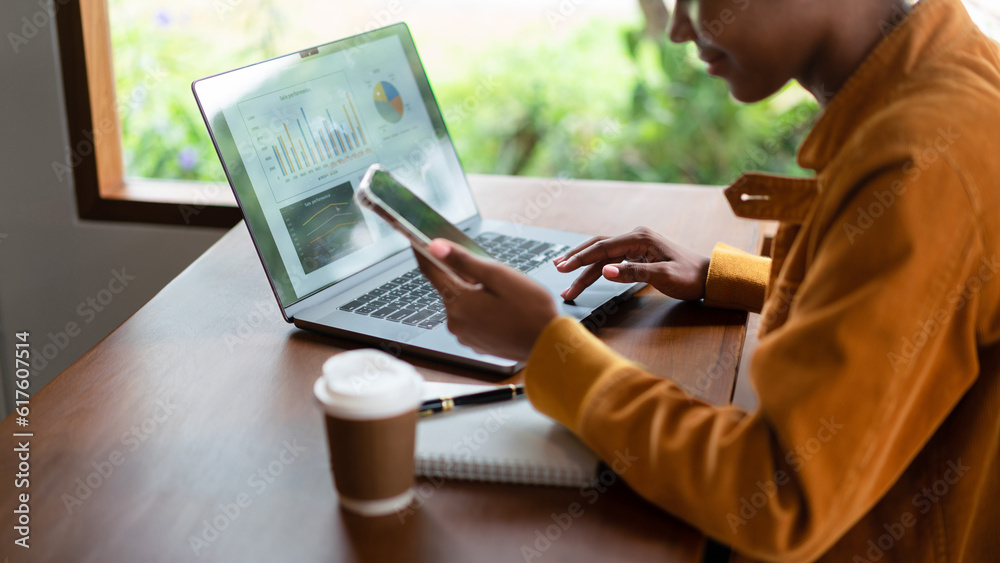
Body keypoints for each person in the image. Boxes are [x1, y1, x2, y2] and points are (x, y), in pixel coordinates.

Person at [416, 0, 1000, 560]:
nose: (678, 30)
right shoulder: (949, 73)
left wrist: (546, 347)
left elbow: (777, 494)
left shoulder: (922, 161)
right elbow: (909, 296)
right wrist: (726, 276)